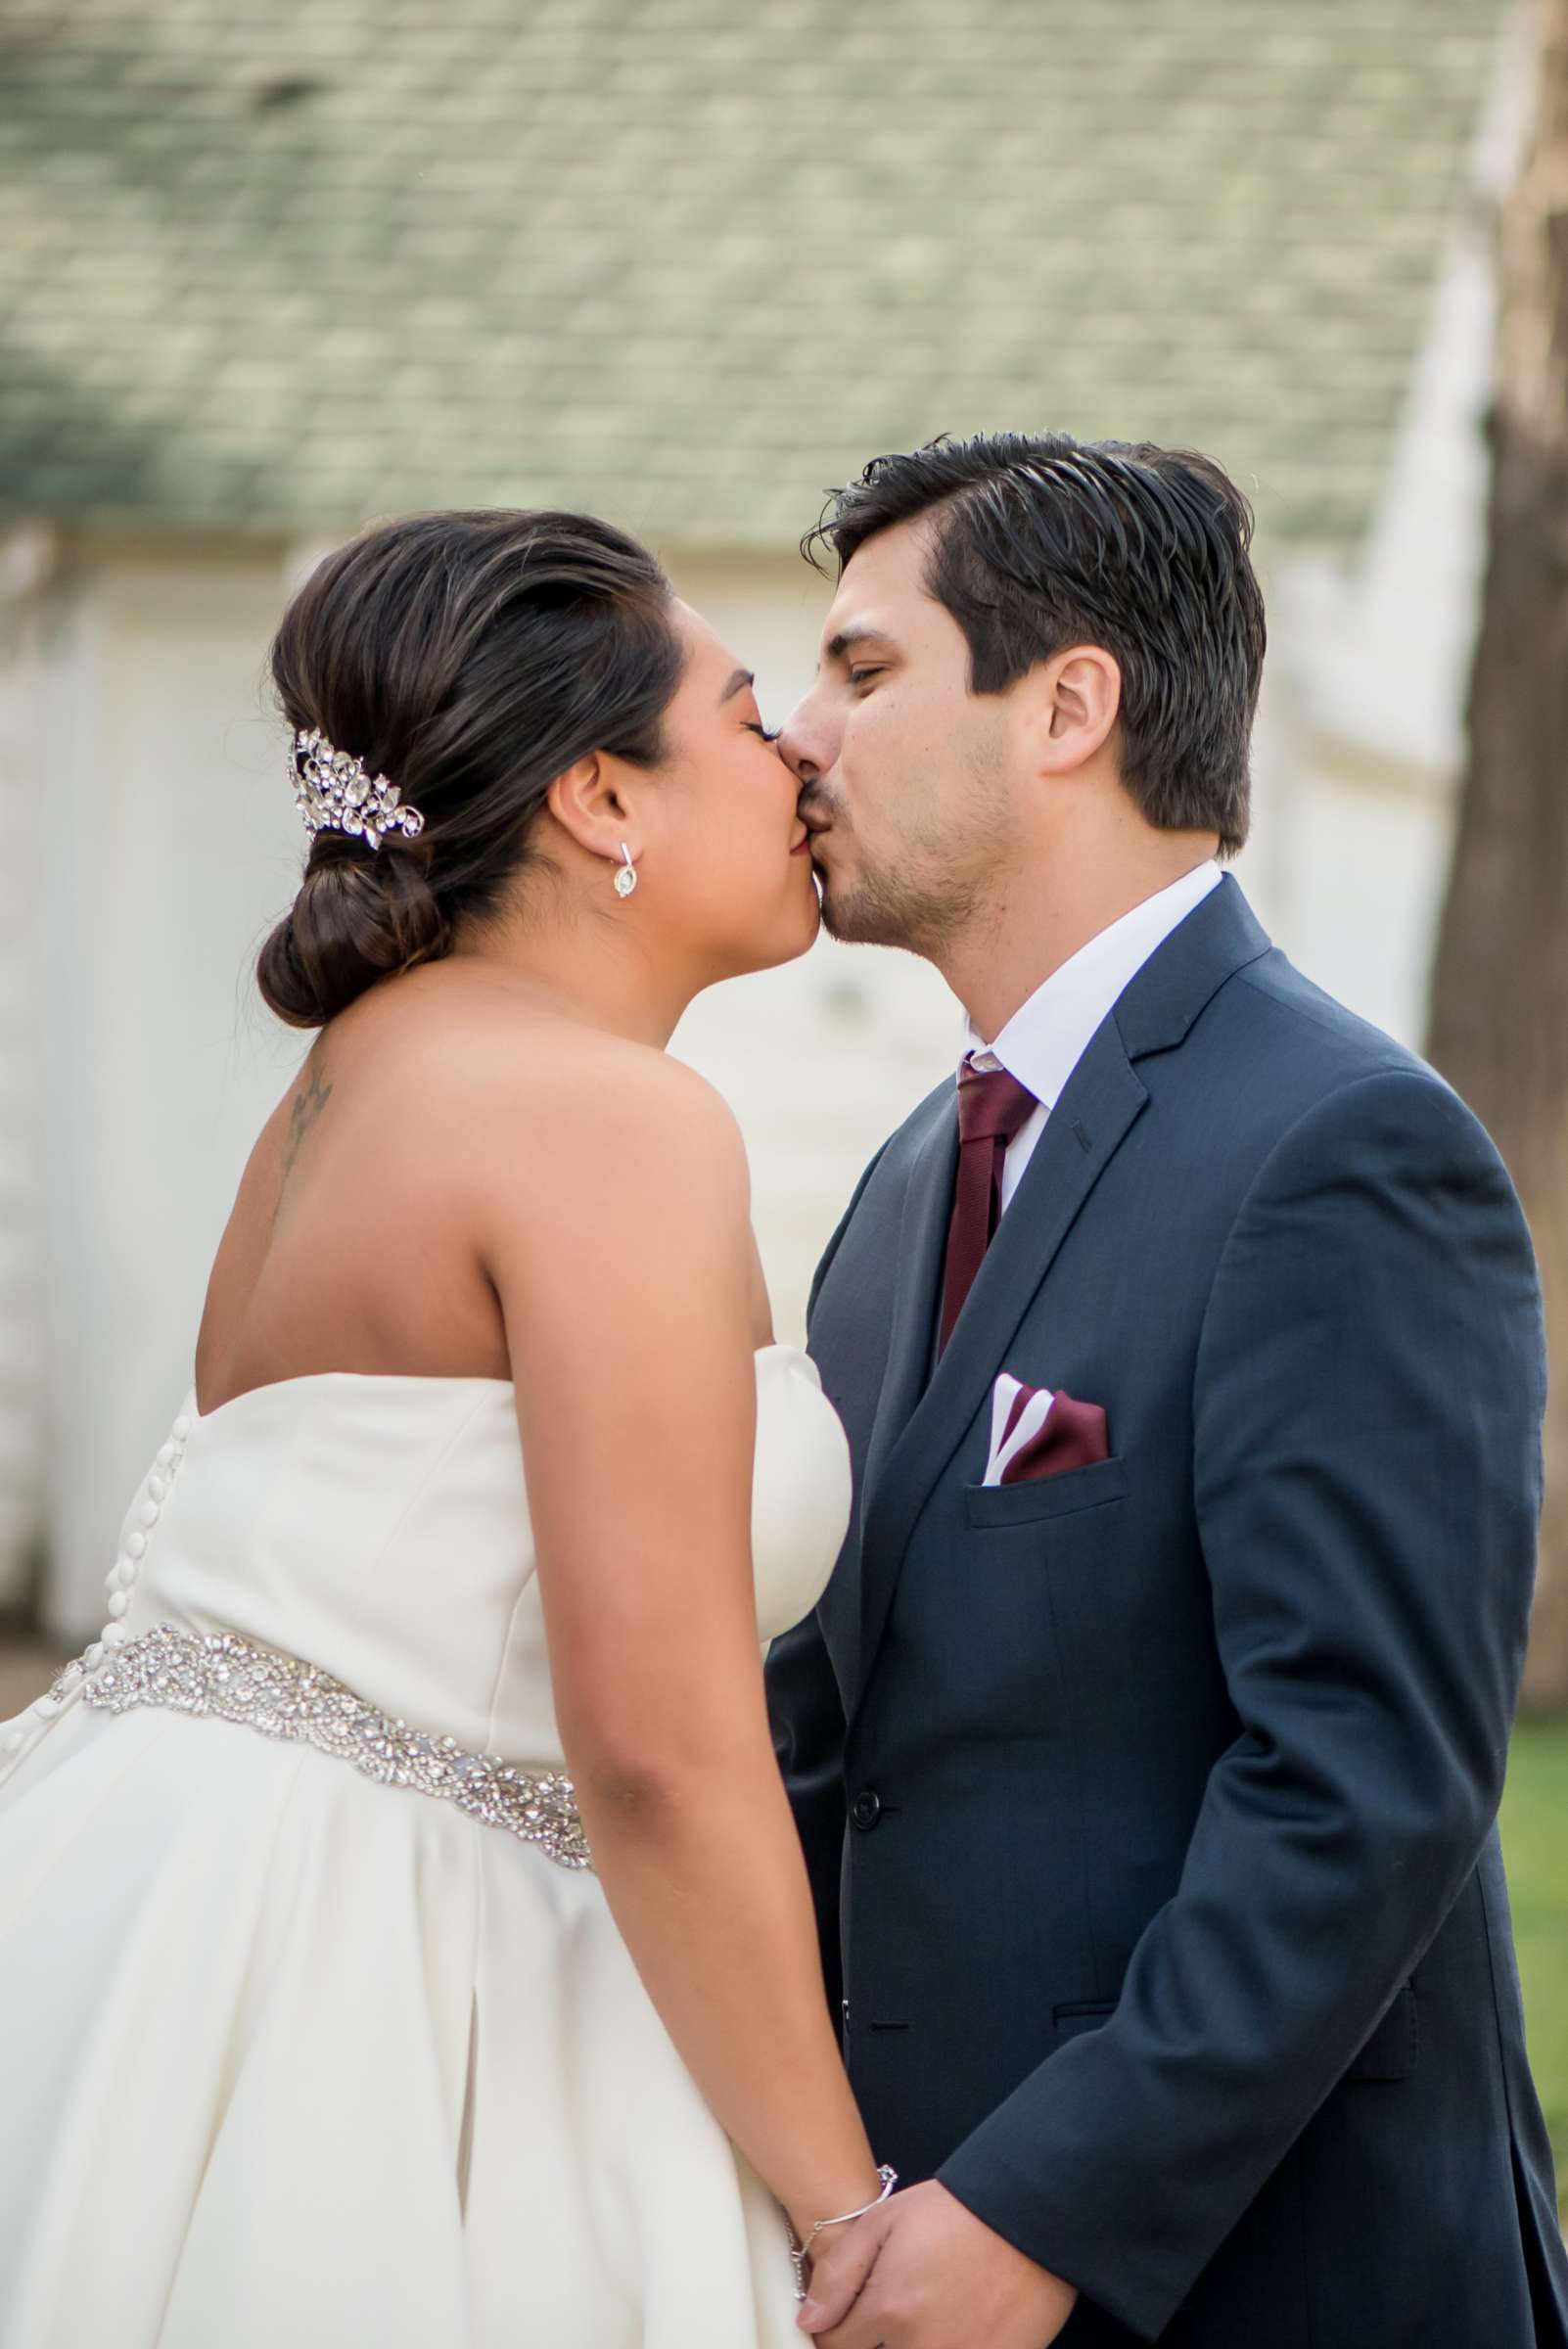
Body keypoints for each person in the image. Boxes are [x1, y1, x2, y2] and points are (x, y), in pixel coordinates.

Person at [0, 509, 890, 2348]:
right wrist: (843, 2208)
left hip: (160, 1922)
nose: (794, 749)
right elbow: (649, 1741)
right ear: (598, 802)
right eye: (740, 714)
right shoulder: (604, 1121)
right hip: (397, 1996)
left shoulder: (353, 1076)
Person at [765, 431, 1568, 2349]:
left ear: (1068, 706)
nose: (800, 732)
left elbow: (1365, 1781)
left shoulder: (1346, 1148)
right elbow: (826, 1750)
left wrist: (1041, 2215)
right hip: (899, 2255)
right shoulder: (893, 1194)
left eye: (864, 670)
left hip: (1274, 2277)